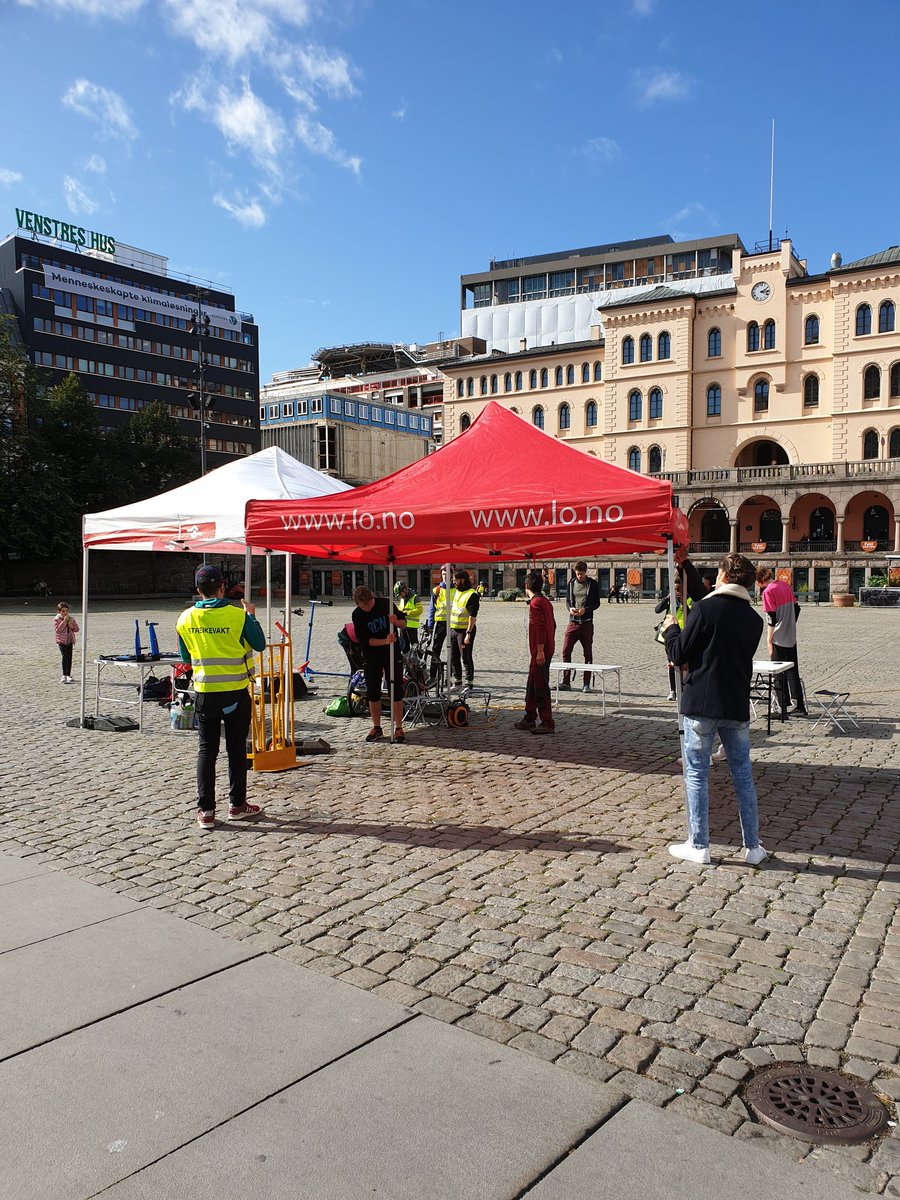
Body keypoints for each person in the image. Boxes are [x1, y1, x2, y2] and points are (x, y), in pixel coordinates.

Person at [662, 553, 768, 866]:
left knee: (696, 773)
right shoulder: (754, 619)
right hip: (735, 704)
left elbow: (680, 652)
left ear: (724, 576)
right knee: (743, 776)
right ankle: (753, 845)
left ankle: (699, 845)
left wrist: (670, 630)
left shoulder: (705, 609)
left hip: (702, 704)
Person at [177, 564, 266, 832]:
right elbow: (259, 644)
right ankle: (237, 805)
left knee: (207, 751)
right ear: (223, 586)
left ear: (197, 589)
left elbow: (184, 658)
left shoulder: (185, 618)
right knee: (237, 749)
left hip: (205, 693)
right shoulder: (237, 616)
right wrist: (251, 617)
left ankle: (206, 811)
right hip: (235, 692)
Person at [351, 585, 406, 743]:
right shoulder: (357, 615)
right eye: (363, 606)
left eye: (368, 604)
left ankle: (399, 727)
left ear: (372, 598)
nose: (367, 608)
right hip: (372, 654)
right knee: (373, 690)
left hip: (392, 653)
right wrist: (384, 641)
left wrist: (396, 622)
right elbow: (365, 641)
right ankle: (377, 727)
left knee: (395, 688)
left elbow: (404, 623)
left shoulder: (385, 604)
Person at [757, 568, 807, 716]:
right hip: (791, 635)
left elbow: (771, 618)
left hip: (778, 637)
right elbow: (797, 608)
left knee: (778, 674)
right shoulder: (785, 585)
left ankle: (782, 708)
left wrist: (768, 640)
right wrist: (790, 623)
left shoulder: (768, 592)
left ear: (760, 581)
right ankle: (799, 705)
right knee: (792, 671)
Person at [514, 569, 556, 734]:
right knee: (532, 685)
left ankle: (547, 721)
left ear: (526, 586)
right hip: (545, 649)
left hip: (540, 652)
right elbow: (553, 625)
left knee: (540, 686)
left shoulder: (536, 603)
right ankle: (530, 717)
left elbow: (541, 629)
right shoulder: (546, 602)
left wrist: (540, 650)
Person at [560, 561, 600, 692]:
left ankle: (586, 683)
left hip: (587, 623)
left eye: (581, 574)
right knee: (566, 651)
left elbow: (597, 603)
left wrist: (586, 610)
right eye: (577, 574)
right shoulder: (571, 583)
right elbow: (567, 600)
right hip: (573, 622)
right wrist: (569, 609)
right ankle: (566, 682)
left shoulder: (592, 584)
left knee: (587, 653)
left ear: (585, 572)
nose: (579, 577)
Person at [655, 579, 692, 700]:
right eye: (675, 589)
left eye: (679, 589)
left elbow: (693, 613)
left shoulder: (689, 600)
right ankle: (672, 690)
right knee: (671, 663)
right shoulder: (670, 600)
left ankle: (683, 688)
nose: (677, 592)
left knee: (683, 663)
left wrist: (683, 602)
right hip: (671, 634)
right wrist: (666, 598)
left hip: (684, 633)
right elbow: (657, 610)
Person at [449, 569, 479, 686]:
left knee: (465, 657)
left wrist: (468, 633)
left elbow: (473, 616)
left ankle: (469, 681)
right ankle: (457, 679)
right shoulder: (457, 591)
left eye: (455, 579)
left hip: (464, 631)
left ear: (462, 580)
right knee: (453, 657)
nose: (454, 581)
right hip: (453, 629)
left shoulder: (472, 595)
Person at [54, 601, 79, 683]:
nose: (65, 613)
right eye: (63, 611)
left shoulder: (71, 618)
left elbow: (76, 629)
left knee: (69, 657)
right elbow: (58, 630)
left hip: (70, 640)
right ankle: (64, 675)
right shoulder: (57, 619)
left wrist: (72, 626)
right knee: (65, 657)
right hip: (62, 641)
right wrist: (64, 622)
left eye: (66, 611)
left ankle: (68, 675)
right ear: (59, 611)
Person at [393, 580, 422, 651]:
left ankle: (417, 661)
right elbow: (400, 609)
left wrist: (407, 613)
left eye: (400, 594)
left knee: (415, 648)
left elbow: (420, 610)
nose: (400, 596)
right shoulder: (402, 599)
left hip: (412, 626)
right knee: (404, 648)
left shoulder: (415, 597)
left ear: (404, 590)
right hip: (403, 626)